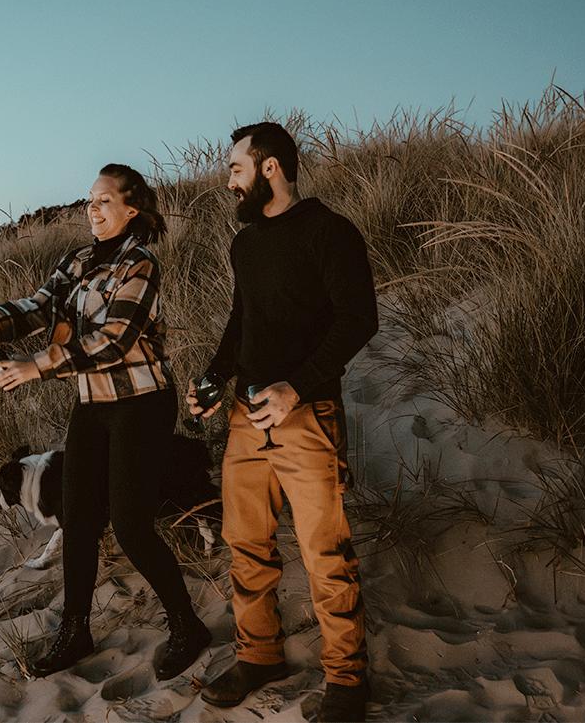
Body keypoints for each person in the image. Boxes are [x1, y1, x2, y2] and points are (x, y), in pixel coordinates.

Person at [0, 163, 211, 681]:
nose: (92, 208)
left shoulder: (140, 265)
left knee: (130, 525)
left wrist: (35, 366)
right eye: (90, 199)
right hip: (93, 403)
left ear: (131, 209)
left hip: (141, 403)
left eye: (104, 200)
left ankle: (188, 625)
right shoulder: (79, 260)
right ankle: (75, 631)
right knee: (80, 518)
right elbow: (37, 308)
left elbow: (114, 340)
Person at [187, 123, 377, 721]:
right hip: (246, 417)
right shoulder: (245, 245)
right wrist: (214, 378)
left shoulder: (329, 231)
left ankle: (346, 679)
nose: (229, 181)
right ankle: (260, 656)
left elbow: (359, 318)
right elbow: (242, 319)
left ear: (269, 168)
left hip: (307, 415)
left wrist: (296, 387)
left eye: (236, 169)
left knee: (326, 552)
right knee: (246, 545)